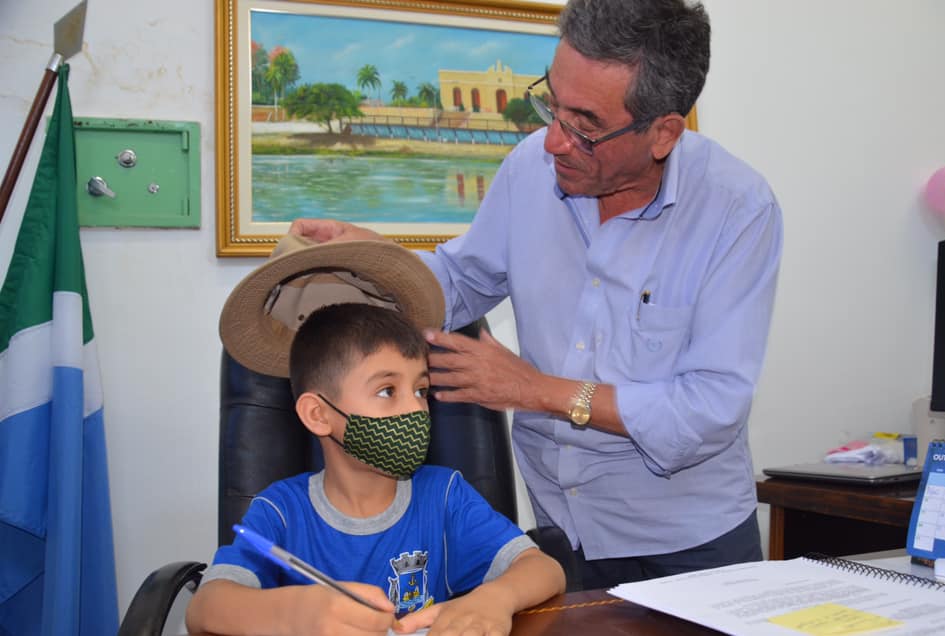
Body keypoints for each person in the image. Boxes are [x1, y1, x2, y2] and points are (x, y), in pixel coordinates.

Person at [291, 0, 783, 590]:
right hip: (560, 525)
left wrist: (534, 390)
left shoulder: (737, 210)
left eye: (585, 126)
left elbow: (707, 410)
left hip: (688, 540)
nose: (553, 142)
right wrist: (378, 259)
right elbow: (462, 280)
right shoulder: (530, 170)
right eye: (551, 104)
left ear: (663, 133)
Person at [186, 303, 564, 636]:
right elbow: (204, 611)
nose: (415, 411)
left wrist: (495, 598)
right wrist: (295, 614)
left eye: (420, 391)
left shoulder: (443, 495)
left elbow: (545, 570)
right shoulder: (281, 511)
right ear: (319, 415)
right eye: (387, 391)